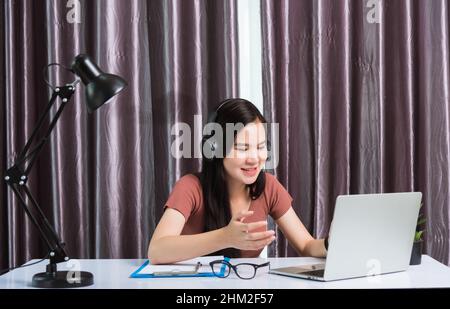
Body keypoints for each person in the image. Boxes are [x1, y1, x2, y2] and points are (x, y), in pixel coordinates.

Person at [148, 98, 327, 264]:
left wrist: (330, 243)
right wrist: (225, 237)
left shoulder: (269, 186)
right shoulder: (190, 187)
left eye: (261, 147)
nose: (254, 158)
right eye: (242, 148)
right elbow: (156, 251)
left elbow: (306, 246)